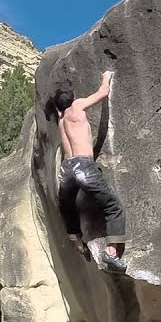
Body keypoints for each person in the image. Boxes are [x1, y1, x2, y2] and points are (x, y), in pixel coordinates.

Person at [49, 70, 127, 273]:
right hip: (83, 166)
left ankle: (78, 243)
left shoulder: (61, 119)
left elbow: (58, 108)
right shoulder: (76, 107)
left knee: (67, 207)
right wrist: (106, 76)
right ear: (72, 100)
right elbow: (102, 93)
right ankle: (111, 253)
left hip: (66, 169)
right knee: (113, 207)